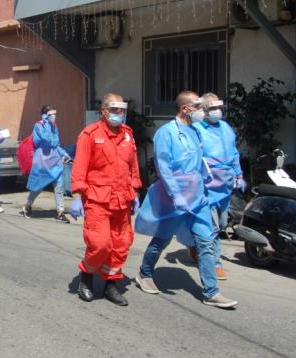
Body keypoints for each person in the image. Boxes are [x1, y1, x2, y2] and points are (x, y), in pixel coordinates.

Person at [134, 91, 237, 309]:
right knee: (161, 240)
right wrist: (175, 195)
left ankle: (211, 292)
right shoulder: (166, 133)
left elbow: (201, 161)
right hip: (174, 197)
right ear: (185, 109)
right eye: (198, 106)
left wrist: (209, 180)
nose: (202, 110)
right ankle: (145, 273)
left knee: (206, 241)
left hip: (198, 197)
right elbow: (163, 167)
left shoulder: (195, 132)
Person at [71, 93, 141, 306]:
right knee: (100, 244)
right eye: (114, 109)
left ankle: (111, 284)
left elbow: (133, 167)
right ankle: (87, 277)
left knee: (121, 244)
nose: (118, 114)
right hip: (97, 199)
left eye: (122, 110)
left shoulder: (128, 135)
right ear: (103, 111)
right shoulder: (90, 134)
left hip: (122, 199)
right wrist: (76, 196)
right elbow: (80, 166)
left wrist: (136, 191)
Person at [187, 93, 245, 279]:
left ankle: (194, 243)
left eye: (218, 107)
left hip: (226, 182)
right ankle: (215, 263)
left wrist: (239, 174)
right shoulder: (196, 129)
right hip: (208, 182)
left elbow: (234, 152)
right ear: (203, 111)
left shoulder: (226, 128)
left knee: (222, 222)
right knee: (211, 225)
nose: (216, 112)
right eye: (211, 108)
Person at [22, 105, 70, 222]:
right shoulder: (39, 125)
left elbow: (56, 143)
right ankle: (28, 205)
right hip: (42, 160)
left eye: (55, 114)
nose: (54, 117)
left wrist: (64, 153)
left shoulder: (54, 126)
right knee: (38, 187)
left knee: (59, 187)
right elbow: (45, 139)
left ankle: (60, 211)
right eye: (51, 114)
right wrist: (45, 124)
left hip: (55, 159)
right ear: (45, 115)